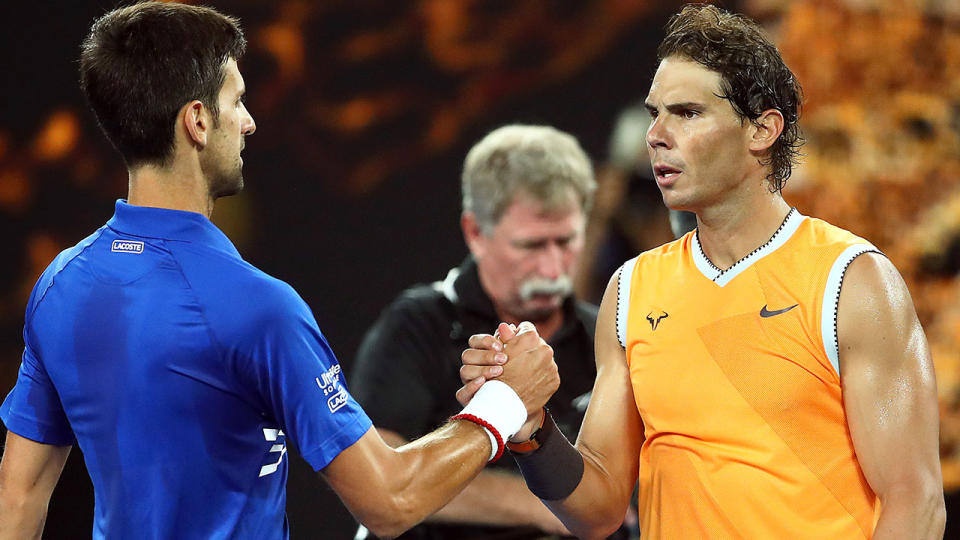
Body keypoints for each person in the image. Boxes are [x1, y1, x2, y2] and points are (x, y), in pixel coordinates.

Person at [0, 3, 557, 539]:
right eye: (236, 100)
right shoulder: (256, 308)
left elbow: (21, 494)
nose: (249, 122)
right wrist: (505, 403)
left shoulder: (59, 286)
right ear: (197, 121)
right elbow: (390, 501)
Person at [459, 5, 945, 539]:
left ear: (762, 130)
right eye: (653, 114)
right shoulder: (630, 292)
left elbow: (915, 504)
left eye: (687, 113)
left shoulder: (851, 282)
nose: (656, 135)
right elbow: (597, 512)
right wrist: (534, 434)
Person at [351, 124, 631, 539]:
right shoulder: (417, 325)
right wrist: (540, 504)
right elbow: (377, 475)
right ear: (475, 232)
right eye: (532, 246)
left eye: (566, 241)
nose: (553, 270)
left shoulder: (606, 334)